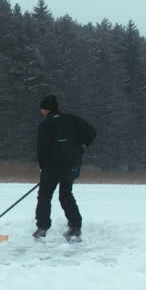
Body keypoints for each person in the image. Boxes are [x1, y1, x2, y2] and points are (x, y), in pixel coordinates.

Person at [33, 95, 96, 242]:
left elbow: (41, 149)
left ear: (45, 109)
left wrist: (43, 167)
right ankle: (75, 226)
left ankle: (42, 227)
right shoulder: (72, 120)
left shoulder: (45, 125)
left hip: (52, 167)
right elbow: (91, 133)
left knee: (44, 196)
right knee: (66, 195)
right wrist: (81, 146)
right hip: (71, 165)